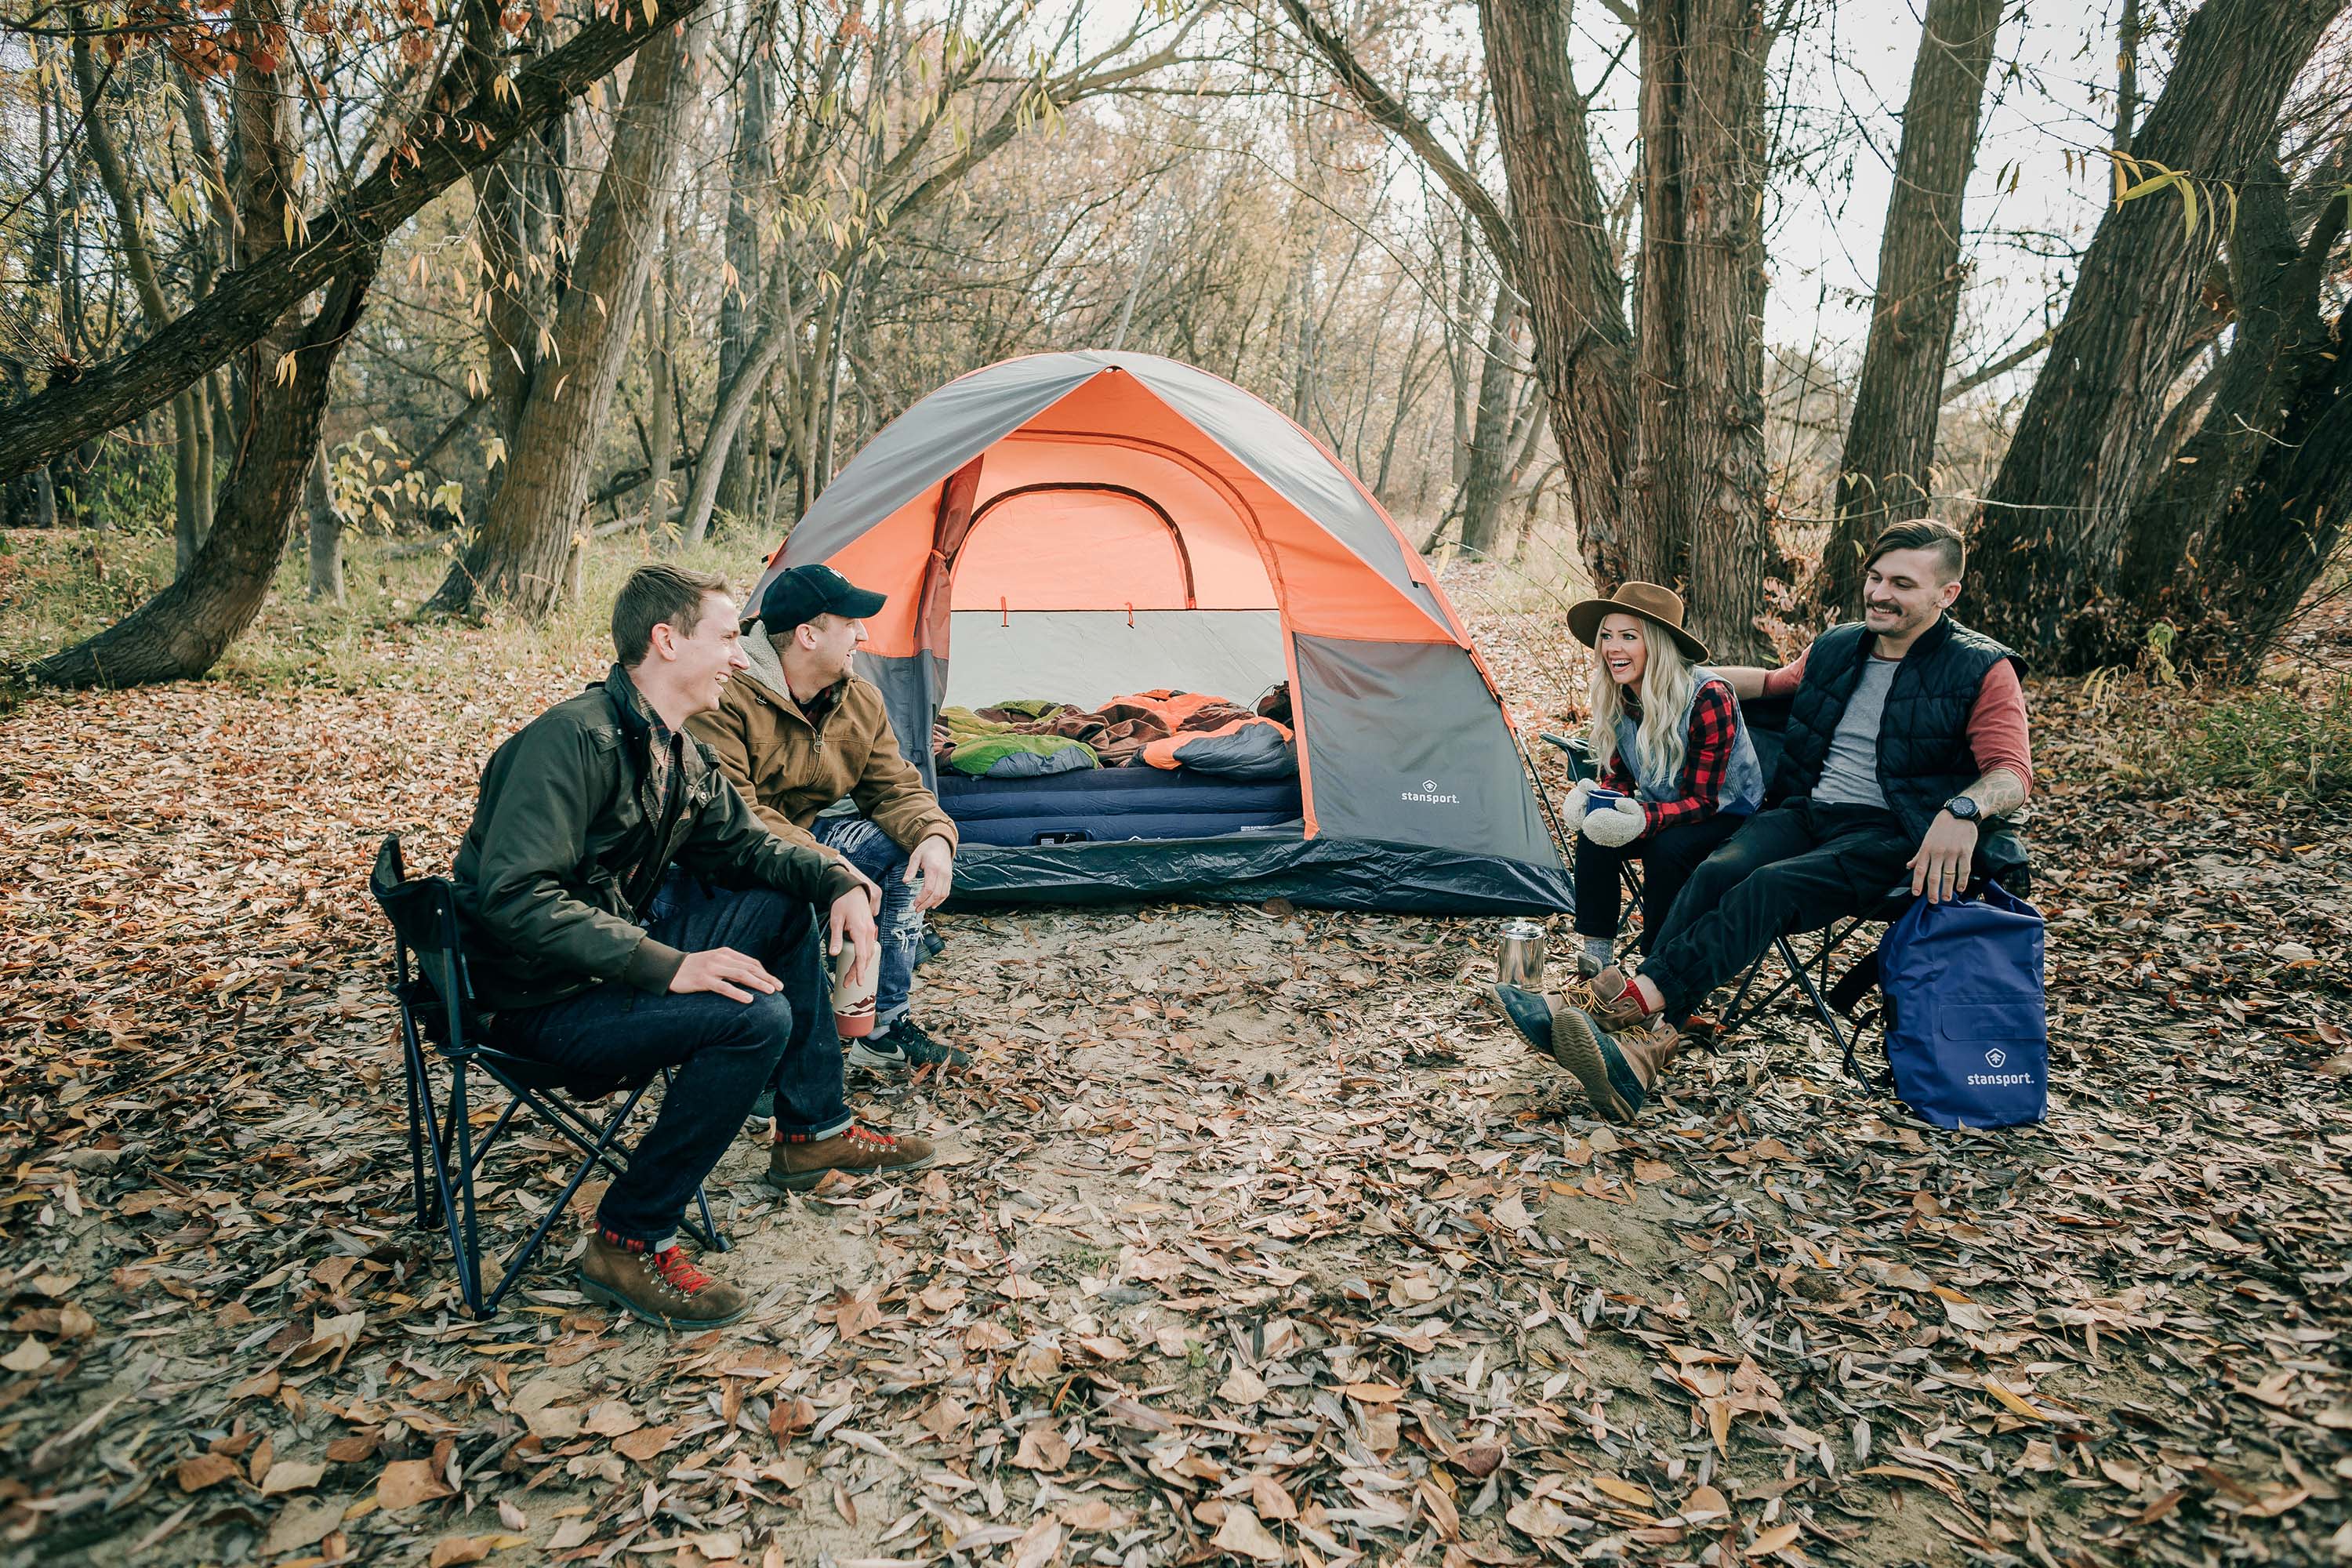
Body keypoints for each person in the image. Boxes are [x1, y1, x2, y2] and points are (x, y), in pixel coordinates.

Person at [452, 564, 936, 1328]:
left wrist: (834, 882)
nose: (742, 658)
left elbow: (748, 847)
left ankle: (813, 1130)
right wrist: (672, 966)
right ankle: (627, 1236)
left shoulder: (677, 751)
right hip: (534, 997)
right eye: (725, 638)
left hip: (600, 966)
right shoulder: (570, 741)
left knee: (779, 904)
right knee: (754, 1018)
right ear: (667, 640)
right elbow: (514, 898)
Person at [1493, 520, 2031, 1123]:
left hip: (1896, 832)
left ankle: (1628, 1012)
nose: (1880, 593)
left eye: (1902, 583)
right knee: (1718, 869)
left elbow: (2011, 771)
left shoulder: (1981, 668)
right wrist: (1671, 677)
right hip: (1804, 811)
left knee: (1770, 887)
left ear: (1946, 594)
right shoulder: (1837, 646)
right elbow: (1773, 684)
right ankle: (1641, 1043)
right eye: (1875, 578)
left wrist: (1964, 810)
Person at [691, 563, 967, 1073]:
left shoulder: (856, 697)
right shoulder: (723, 694)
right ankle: (771, 1048)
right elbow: (737, 816)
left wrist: (934, 836)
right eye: (851, 622)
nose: (863, 634)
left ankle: (878, 1027)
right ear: (808, 634)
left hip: (804, 840)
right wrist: (831, 868)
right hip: (721, 863)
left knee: (908, 849)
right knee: (793, 885)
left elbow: (895, 787)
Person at [1559, 582, 1765, 979]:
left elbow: (1705, 801)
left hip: (1728, 817)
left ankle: (1655, 971)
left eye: (1628, 637)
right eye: (1607, 636)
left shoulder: (1708, 697)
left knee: (1667, 850)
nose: (1612, 648)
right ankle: (1596, 965)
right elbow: (1619, 775)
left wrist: (1640, 818)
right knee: (1596, 831)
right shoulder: (1619, 694)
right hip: (1661, 809)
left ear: (1657, 644)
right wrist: (1599, 799)